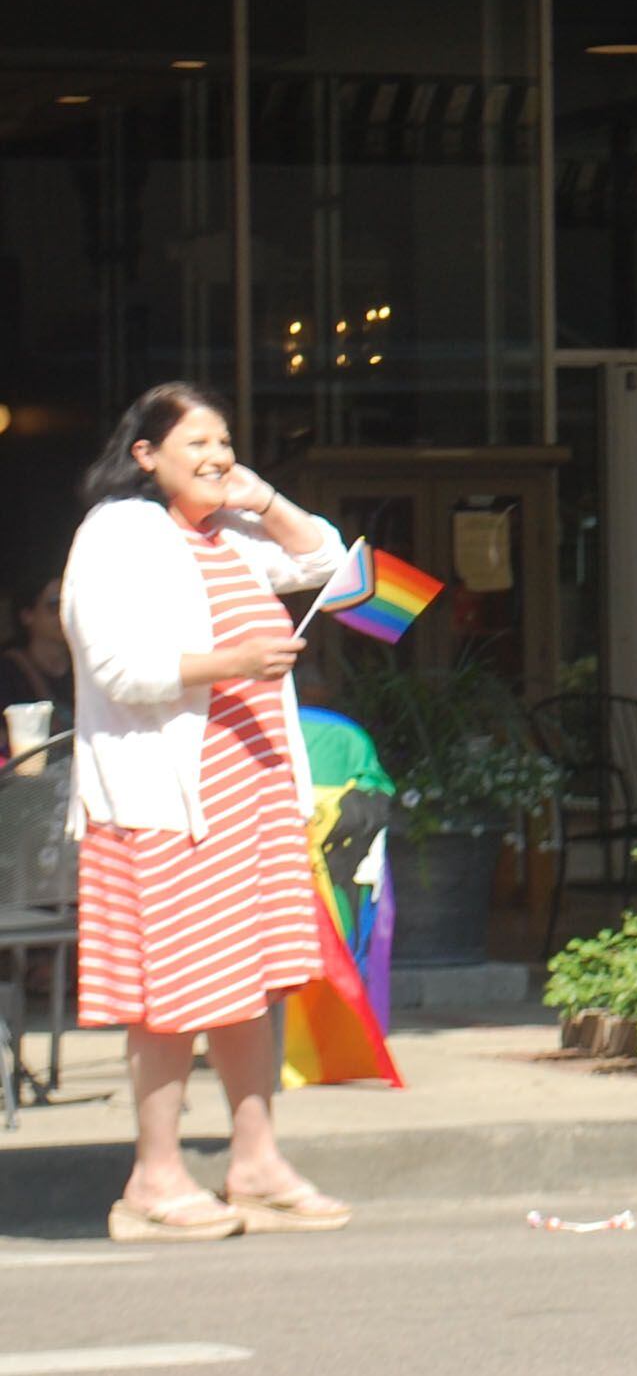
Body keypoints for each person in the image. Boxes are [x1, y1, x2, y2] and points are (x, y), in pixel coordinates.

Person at [61, 382, 352, 1241]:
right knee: (171, 993)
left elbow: (327, 559)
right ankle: (152, 1182)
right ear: (146, 455)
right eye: (198, 446)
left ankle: (255, 1164)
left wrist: (260, 495)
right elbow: (119, 667)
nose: (218, 459)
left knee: (251, 983)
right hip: (164, 800)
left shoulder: (229, 532)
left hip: (251, 795)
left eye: (225, 443)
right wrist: (237, 660)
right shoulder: (118, 533)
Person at [1, 568, 73, 725]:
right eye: (54, 605)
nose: (64, 612)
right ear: (27, 615)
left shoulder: (89, 664)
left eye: (70, 602)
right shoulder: (8, 673)